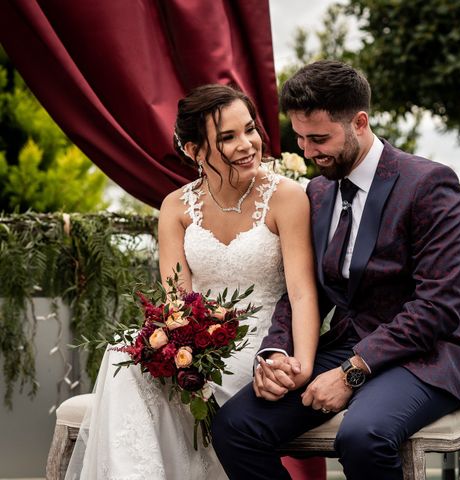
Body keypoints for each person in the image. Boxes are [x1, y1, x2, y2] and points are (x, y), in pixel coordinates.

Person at [211, 60, 460, 480]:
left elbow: (438, 306)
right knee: (235, 427)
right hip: (346, 346)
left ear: (359, 122)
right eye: (300, 138)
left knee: (363, 436)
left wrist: (351, 372)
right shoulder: (318, 192)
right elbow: (303, 290)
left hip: (430, 354)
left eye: (319, 138)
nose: (307, 151)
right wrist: (275, 355)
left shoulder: (430, 184)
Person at [64, 84, 326, 480]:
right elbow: (176, 302)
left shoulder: (286, 197)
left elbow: (304, 292)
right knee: (121, 354)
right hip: (199, 343)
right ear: (194, 151)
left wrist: (301, 366)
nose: (248, 144)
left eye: (250, 129)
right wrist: (176, 348)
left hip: (258, 344)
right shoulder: (176, 206)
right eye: (228, 137)